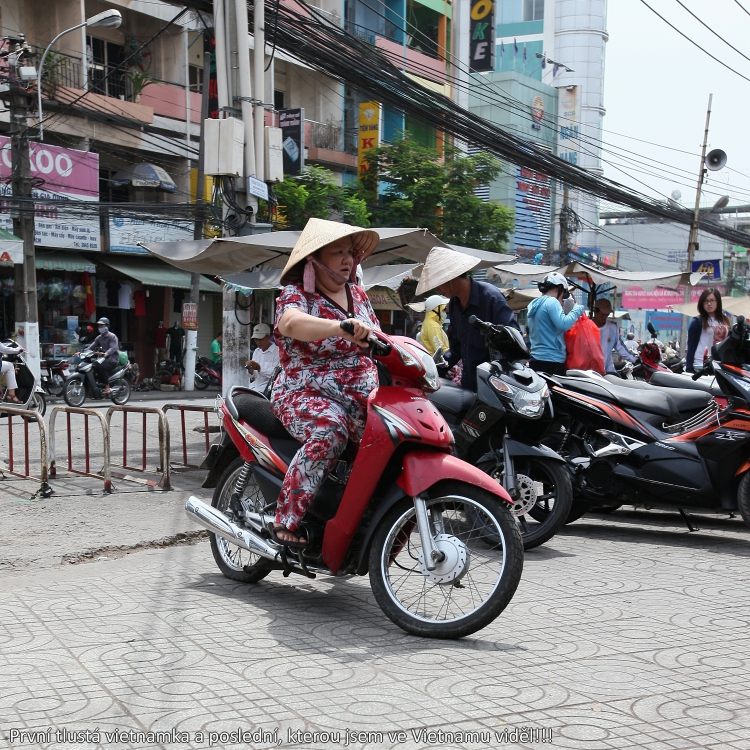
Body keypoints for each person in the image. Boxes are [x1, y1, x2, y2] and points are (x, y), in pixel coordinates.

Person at [270, 218, 380, 547]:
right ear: (314, 260)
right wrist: (336, 327)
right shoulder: (295, 295)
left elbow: (378, 336)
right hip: (302, 393)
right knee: (330, 429)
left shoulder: (358, 294)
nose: (348, 260)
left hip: (358, 397)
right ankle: (286, 518)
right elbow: (290, 323)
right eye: (338, 253)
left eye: (350, 253)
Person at [415, 246, 519, 391]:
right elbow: (456, 348)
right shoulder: (454, 306)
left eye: (438, 283)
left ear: (451, 277)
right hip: (470, 383)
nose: (438, 290)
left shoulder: (491, 298)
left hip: (497, 387)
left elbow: (513, 342)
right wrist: (434, 370)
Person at [526, 272, 585, 375]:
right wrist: (576, 310)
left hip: (535, 359)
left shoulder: (534, 303)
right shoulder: (552, 302)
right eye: (563, 294)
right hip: (552, 361)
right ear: (559, 289)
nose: (562, 298)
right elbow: (564, 324)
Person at [686, 288, 730, 373]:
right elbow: (690, 347)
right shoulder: (697, 321)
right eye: (706, 301)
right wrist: (689, 368)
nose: (709, 304)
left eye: (712, 300)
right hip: (701, 365)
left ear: (718, 302)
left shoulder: (725, 320)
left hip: (721, 365)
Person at [592, 298, 636, 375]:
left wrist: (635, 359)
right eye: (602, 314)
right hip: (590, 371)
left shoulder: (613, 327)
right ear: (595, 311)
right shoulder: (586, 327)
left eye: (607, 315)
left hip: (608, 370)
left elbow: (620, 347)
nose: (604, 317)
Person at [89, 317, 120, 395]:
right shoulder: (99, 337)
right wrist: (81, 352)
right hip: (103, 358)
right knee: (92, 365)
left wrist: (106, 353)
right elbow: (91, 347)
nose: (100, 327)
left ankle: (107, 386)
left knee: (99, 365)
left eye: (102, 326)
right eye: (99, 326)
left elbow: (113, 348)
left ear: (107, 326)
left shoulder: (112, 336)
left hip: (112, 359)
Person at [245, 323, 279, 394]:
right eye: (256, 340)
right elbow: (253, 376)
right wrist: (250, 369)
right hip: (254, 387)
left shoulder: (277, 351)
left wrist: (259, 368)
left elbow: (275, 374)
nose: (258, 342)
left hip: (268, 390)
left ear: (268, 337)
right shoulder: (257, 351)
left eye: (260, 339)